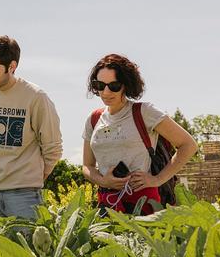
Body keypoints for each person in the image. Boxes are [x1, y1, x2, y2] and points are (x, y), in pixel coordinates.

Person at [82, 54, 198, 214]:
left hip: (144, 202)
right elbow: (87, 166)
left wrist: (157, 179)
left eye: (114, 86)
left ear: (126, 85)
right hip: (108, 202)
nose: (106, 92)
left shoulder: (144, 112)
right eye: (100, 85)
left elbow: (188, 145)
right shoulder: (94, 119)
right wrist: (104, 181)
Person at [0, 36, 63, 224]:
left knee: (26, 252)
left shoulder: (35, 97)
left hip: (24, 195)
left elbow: (53, 146)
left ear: (12, 66)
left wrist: (34, 179)